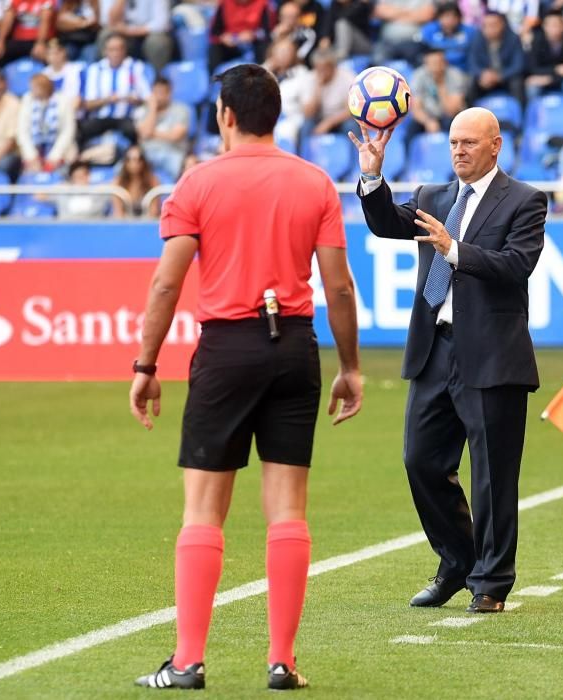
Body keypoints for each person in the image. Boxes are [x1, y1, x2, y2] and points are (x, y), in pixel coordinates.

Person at [129, 63, 362, 691]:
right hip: (294, 346)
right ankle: (282, 661)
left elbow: (166, 283)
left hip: (227, 348)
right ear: (276, 115)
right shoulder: (314, 183)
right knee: (288, 507)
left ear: (224, 115)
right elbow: (338, 285)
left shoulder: (197, 183)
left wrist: (146, 366)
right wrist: (351, 367)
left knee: (204, 511)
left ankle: (188, 662)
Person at [350, 107, 546, 613]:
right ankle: (457, 562)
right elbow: (385, 224)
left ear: (495, 145)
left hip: (492, 356)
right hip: (435, 349)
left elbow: (517, 266)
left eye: (470, 143)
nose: (459, 151)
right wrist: (372, 176)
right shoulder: (435, 197)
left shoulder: (525, 200)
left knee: (492, 475)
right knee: (421, 461)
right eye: (454, 143)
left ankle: (492, 582)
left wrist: (455, 250)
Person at [17, 73, 77, 174]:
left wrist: (55, 156)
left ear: (45, 88)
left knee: (61, 173)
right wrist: (32, 156)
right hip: (34, 153)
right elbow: (22, 131)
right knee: (30, 176)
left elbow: (68, 131)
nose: (32, 91)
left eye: (35, 87)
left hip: (61, 152)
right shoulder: (27, 99)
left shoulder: (63, 101)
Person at [135, 76, 191, 181]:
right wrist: (152, 109)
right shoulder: (142, 110)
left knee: (185, 168)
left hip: (172, 152)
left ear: (169, 93)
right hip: (146, 154)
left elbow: (175, 136)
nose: (159, 96)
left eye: (162, 92)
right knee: (127, 165)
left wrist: (151, 133)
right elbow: (144, 134)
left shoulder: (181, 110)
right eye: (156, 92)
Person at [111, 144, 160, 217]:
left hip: (147, 222)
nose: (134, 163)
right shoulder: (117, 182)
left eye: (139, 159)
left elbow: (154, 211)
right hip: (125, 223)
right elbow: (118, 212)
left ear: (143, 162)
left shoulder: (152, 181)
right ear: (125, 162)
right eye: (129, 159)